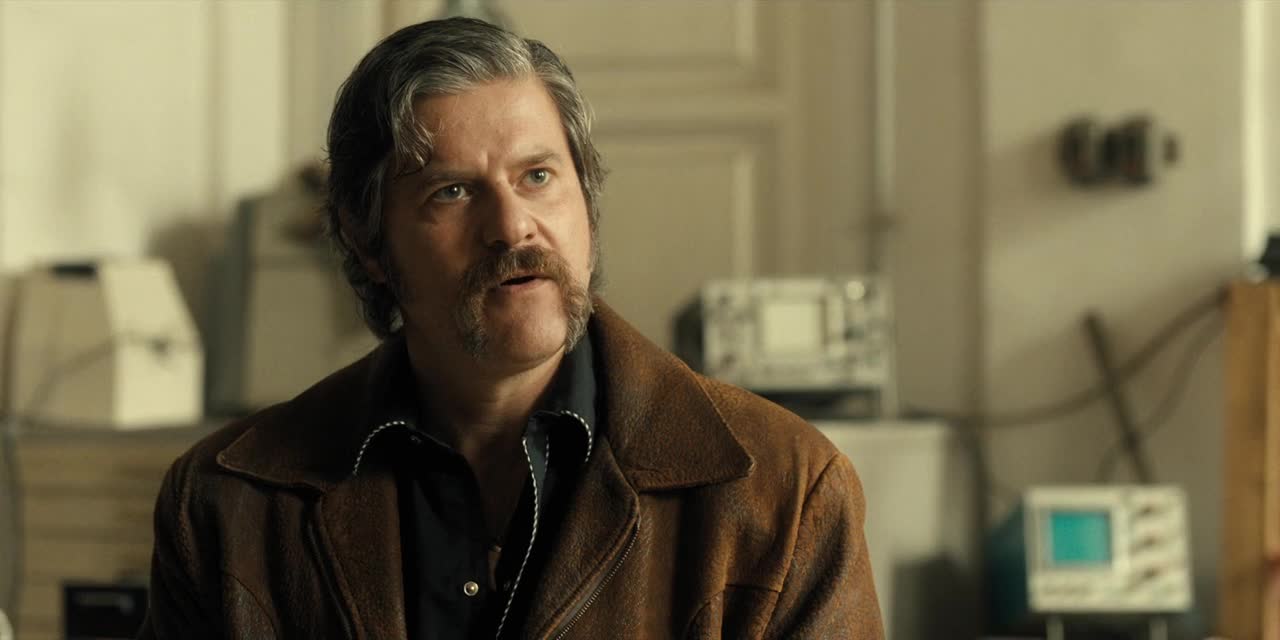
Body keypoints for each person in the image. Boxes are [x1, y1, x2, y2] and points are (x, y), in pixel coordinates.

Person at [140, 17, 883, 639]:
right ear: (367, 242)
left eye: (538, 177)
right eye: (452, 191)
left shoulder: (784, 489)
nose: (512, 226)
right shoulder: (226, 502)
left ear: (587, 203)